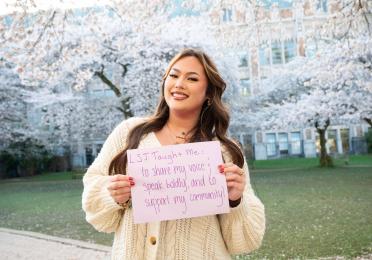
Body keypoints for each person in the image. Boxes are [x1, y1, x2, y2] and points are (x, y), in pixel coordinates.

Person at [82, 48, 265, 259]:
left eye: (192, 78)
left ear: (208, 93)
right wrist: (111, 194)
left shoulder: (224, 150)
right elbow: (94, 205)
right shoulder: (129, 133)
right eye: (174, 75)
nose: (179, 84)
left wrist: (235, 200)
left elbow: (246, 240)